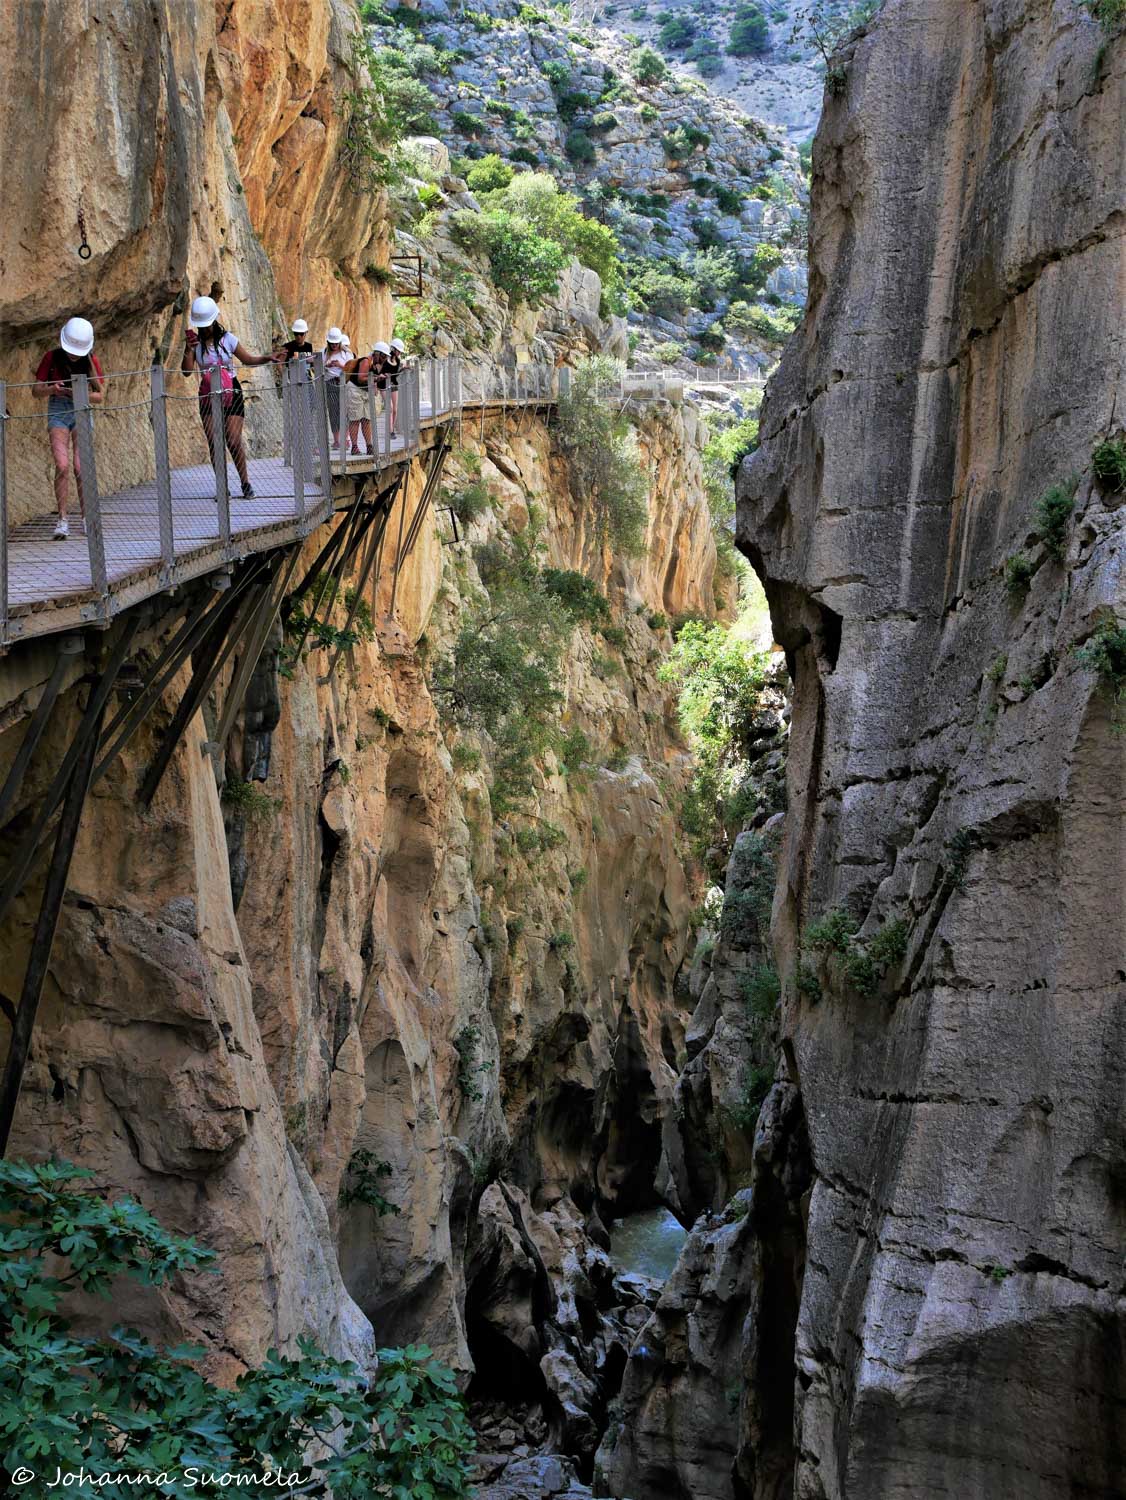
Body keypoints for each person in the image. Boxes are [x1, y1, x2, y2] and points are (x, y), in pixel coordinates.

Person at [180, 295, 280, 499]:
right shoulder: (195, 344)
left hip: (231, 392)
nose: (205, 328)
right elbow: (187, 371)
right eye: (203, 325)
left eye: (207, 325)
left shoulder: (228, 340)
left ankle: (245, 483)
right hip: (208, 394)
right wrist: (188, 349)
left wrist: (266, 358)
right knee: (214, 442)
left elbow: (247, 359)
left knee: (233, 440)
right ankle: (222, 486)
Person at [32, 317, 105, 540]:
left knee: (80, 467)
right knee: (62, 465)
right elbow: (36, 390)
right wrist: (53, 390)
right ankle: (62, 519)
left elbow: (100, 395)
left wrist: (78, 393)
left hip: (81, 407)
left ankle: (86, 517)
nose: (73, 354)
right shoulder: (52, 357)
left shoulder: (91, 360)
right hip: (58, 408)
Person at [323, 327, 347, 445]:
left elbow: (351, 368)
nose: (334, 345)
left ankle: (346, 439)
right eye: (332, 343)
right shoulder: (324, 353)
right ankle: (337, 440)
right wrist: (326, 365)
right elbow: (319, 369)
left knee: (345, 411)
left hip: (343, 383)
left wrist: (340, 365)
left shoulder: (346, 353)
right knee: (333, 412)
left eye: (336, 343)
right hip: (330, 383)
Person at [386, 337, 406, 435]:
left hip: (394, 385)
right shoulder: (385, 359)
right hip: (385, 385)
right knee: (389, 407)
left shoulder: (397, 361)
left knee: (394, 409)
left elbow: (395, 375)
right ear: (393, 349)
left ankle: (392, 428)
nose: (399, 353)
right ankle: (390, 430)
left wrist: (402, 369)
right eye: (398, 351)